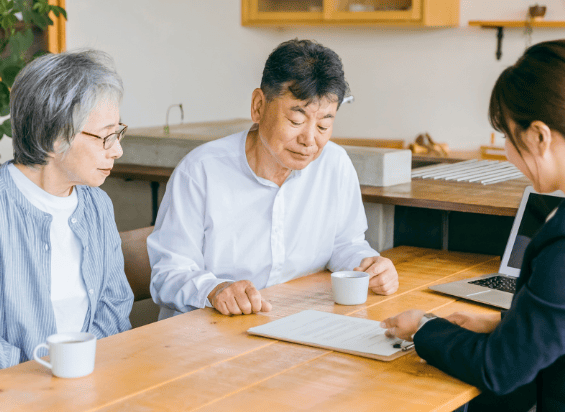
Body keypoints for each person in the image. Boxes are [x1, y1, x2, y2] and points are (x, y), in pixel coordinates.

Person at [381, 39, 565, 412]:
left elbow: (501, 369)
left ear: (538, 135)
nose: (506, 149)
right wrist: (499, 323)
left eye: (507, 135)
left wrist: (423, 328)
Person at [0, 50, 134, 412]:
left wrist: (77, 379)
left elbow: (114, 309)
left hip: (75, 401)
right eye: (105, 137)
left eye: (118, 133)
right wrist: (49, 374)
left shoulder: (96, 206)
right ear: (53, 138)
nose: (118, 150)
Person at [148, 39, 398, 320]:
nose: (309, 140)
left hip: (295, 323)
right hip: (208, 334)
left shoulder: (334, 164)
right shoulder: (200, 171)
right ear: (258, 106)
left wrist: (367, 265)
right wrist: (215, 290)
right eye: (295, 121)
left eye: (324, 125)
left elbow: (344, 244)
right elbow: (168, 275)